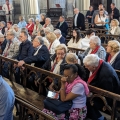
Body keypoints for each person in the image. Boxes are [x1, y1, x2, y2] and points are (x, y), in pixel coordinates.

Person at [83, 54, 120, 120]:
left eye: (87, 67)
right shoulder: (99, 63)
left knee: (85, 100)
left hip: (110, 98)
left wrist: (90, 94)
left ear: (94, 67)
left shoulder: (105, 75)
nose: (86, 68)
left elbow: (107, 93)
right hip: (102, 91)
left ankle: (101, 118)